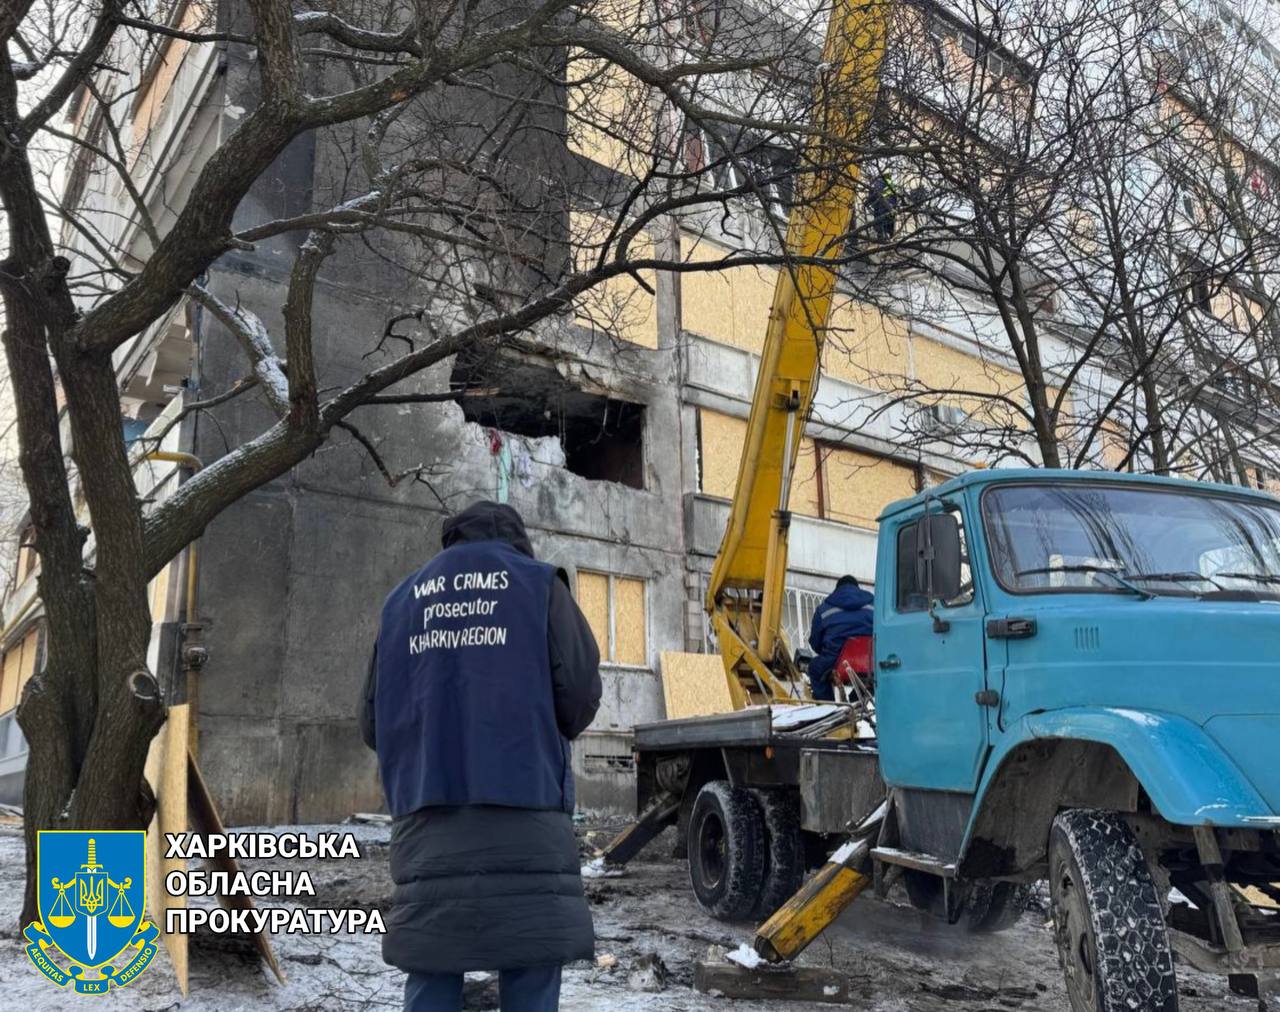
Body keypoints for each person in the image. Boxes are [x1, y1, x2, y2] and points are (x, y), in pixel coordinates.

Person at [360, 501, 602, 1012]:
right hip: (527, 812)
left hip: (426, 819)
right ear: (517, 540)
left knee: (431, 969)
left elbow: (372, 723)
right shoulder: (539, 586)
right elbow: (579, 695)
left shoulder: (400, 603)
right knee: (532, 968)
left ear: (452, 540)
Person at [807, 575, 875, 702]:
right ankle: (856, 702)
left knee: (814, 669)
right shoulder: (873, 605)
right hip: (867, 662)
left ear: (837, 590)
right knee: (877, 675)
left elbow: (815, 642)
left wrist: (825, 651)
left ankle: (829, 708)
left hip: (835, 660)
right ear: (857, 588)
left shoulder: (824, 608)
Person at [864, 172, 899, 242]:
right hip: (891, 204)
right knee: (889, 223)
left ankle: (882, 239)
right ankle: (890, 238)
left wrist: (866, 203)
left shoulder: (879, 181)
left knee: (880, 222)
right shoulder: (890, 182)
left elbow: (876, 193)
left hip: (883, 204)